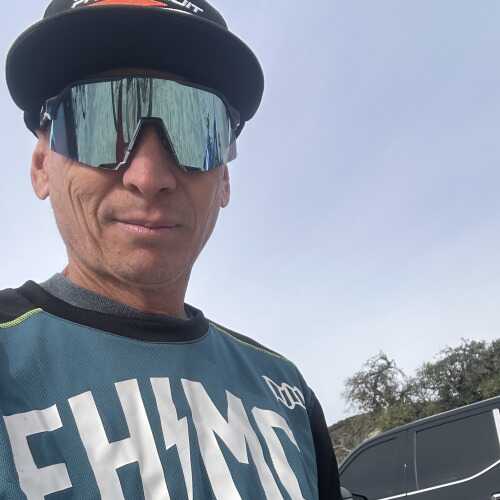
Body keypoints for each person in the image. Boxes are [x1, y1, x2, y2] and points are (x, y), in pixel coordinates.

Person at [0, 0, 342, 498]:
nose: (149, 176)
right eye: (99, 122)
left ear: (224, 181)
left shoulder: (287, 397)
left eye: (195, 128)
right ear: (40, 168)